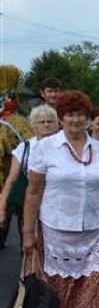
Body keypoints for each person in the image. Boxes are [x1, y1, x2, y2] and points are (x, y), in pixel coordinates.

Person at [21, 91, 99, 308]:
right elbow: (33, 192)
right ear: (61, 117)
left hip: (97, 226)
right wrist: (28, 233)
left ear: (87, 119)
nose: (76, 120)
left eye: (81, 115)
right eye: (70, 115)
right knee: (70, 285)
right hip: (57, 228)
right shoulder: (46, 148)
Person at [0, 105, 59, 247]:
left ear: (57, 124)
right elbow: (11, 179)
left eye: (50, 121)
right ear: (33, 125)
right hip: (30, 206)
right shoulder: (24, 148)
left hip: (57, 205)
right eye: (41, 122)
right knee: (29, 246)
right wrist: (2, 208)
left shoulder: (65, 146)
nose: (46, 125)